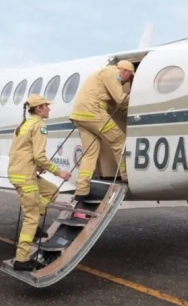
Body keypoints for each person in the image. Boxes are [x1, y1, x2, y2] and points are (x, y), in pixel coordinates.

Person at [8, 94, 72, 271]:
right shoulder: (39, 126)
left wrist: (35, 166)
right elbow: (39, 156)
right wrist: (60, 172)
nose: (49, 109)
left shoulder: (23, 125)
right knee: (31, 216)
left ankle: (36, 224)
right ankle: (22, 259)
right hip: (25, 175)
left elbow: (20, 151)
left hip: (19, 171)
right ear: (38, 109)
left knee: (51, 191)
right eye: (46, 106)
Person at [69, 60, 134, 200]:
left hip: (80, 114)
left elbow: (114, 103)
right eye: (130, 77)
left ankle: (82, 190)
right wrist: (137, 105)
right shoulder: (112, 73)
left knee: (90, 153)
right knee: (118, 140)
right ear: (125, 71)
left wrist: (127, 109)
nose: (126, 82)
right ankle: (126, 176)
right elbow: (120, 98)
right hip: (93, 112)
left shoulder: (102, 75)